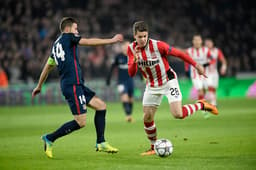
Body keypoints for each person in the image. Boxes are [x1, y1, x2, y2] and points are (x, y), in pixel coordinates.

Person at [32, 17, 123, 158]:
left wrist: (39, 86)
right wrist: (111, 40)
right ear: (68, 29)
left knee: (101, 106)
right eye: (76, 28)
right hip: (72, 85)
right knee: (81, 122)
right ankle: (50, 138)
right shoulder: (69, 37)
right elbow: (88, 42)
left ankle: (101, 142)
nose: (77, 31)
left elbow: (47, 66)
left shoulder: (56, 45)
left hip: (76, 84)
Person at [127, 21, 218, 156]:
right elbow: (131, 73)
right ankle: (153, 147)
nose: (143, 39)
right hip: (152, 85)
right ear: (134, 36)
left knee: (178, 114)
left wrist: (196, 65)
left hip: (168, 81)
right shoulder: (131, 49)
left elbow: (179, 54)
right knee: (147, 117)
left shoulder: (158, 45)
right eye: (140, 37)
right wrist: (134, 60)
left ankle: (201, 105)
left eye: (145, 36)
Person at [106, 41, 135, 122]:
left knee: (131, 99)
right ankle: (128, 115)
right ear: (122, 47)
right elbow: (112, 67)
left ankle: (129, 114)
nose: (126, 47)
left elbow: (137, 67)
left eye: (128, 46)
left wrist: (140, 77)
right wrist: (108, 79)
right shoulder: (118, 57)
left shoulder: (132, 56)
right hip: (121, 81)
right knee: (124, 97)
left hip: (130, 80)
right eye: (125, 46)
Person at [185, 35, 216, 102]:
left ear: (201, 41)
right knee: (200, 90)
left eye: (198, 40)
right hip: (195, 74)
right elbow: (186, 61)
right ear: (193, 41)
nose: (197, 42)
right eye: (195, 40)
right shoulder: (189, 51)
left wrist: (205, 65)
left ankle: (204, 103)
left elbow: (213, 60)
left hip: (205, 74)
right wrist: (187, 70)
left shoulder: (206, 50)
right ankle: (202, 107)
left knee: (205, 90)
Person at [204, 38, 227, 106]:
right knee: (210, 87)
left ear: (212, 43)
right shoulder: (203, 51)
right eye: (207, 43)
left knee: (214, 88)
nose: (208, 44)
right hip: (206, 73)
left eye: (209, 43)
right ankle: (213, 104)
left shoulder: (217, 51)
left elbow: (223, 60)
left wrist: (223, 68)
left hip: (214, 73)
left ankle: (214, 102)